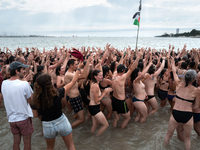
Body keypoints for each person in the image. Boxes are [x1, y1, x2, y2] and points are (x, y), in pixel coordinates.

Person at [31, 68, 81, 150]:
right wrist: (78, 69)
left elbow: (35, 115)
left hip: (47, 125)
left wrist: (45, 115)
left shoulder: (35, 99)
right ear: (50, 83)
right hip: (61, 121)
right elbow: (72, 82)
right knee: (71, 146)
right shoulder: (58, 93)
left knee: (50, 148)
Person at [164, 58, 200, 150]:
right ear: (194, 79)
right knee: (187, 139)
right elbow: (196, 106)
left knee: (168, 135)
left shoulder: (179, 84)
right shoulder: (196, 90)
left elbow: (175, 73)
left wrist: (172, 63)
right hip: (187, 114)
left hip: (176, 112)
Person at [1, 61, 34, 150]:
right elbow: (30, 101)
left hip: (11, 119)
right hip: (23, 118)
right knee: (27, 142)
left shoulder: (4, 83)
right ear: (16, 71)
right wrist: (26, 83)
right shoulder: (24, 84)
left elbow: (5, 97)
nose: (24, 71)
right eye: (23, 69)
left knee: (16, 141)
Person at [112, 51, 142, 128]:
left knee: (116, 117)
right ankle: (121, 133)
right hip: (120, 101)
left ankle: (114, 131)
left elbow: (119, 65)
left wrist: (123, 57)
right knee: (128, 118)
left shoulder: (114, 74)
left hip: (114, 99)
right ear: (123, 71)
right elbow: (132, 69)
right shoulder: (122, 78)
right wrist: (138, 57)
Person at [64, 56, 92, 128]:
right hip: (74, 97)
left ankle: (69, 120)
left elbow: (84, 75)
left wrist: (87, 65)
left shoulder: (72, 72)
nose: (77, 65)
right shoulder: (69, 75)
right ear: (71, 65)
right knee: (82, 119)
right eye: (76, 64)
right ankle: (67, 130)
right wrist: (87, 62)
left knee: (78, 113)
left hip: (76, 96)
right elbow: (84, 76)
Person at [89, 70, 112, 135]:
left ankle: (91, 136)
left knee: (95, 124)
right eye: (100, 76)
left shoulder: (94, 83)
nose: (102, 77)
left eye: (102, 75)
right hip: (94, 107)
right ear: (95, 76)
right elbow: (97, 100)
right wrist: (104, 92)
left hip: (92, 107)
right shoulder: (95, 86)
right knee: (105, 125)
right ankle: (96, 138)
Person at [131, 55, 153, 123]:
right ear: (136, 73)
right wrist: (149, 65)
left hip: (138, 99)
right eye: (139, 71)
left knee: (139, 115)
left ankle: (135, 127)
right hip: (138, 100)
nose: (141, 72)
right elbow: (142, 75)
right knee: (144, 116)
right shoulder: (136, 80)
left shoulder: (139, 80)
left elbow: (142, 89)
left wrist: (145, 94)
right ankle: (141, 130)